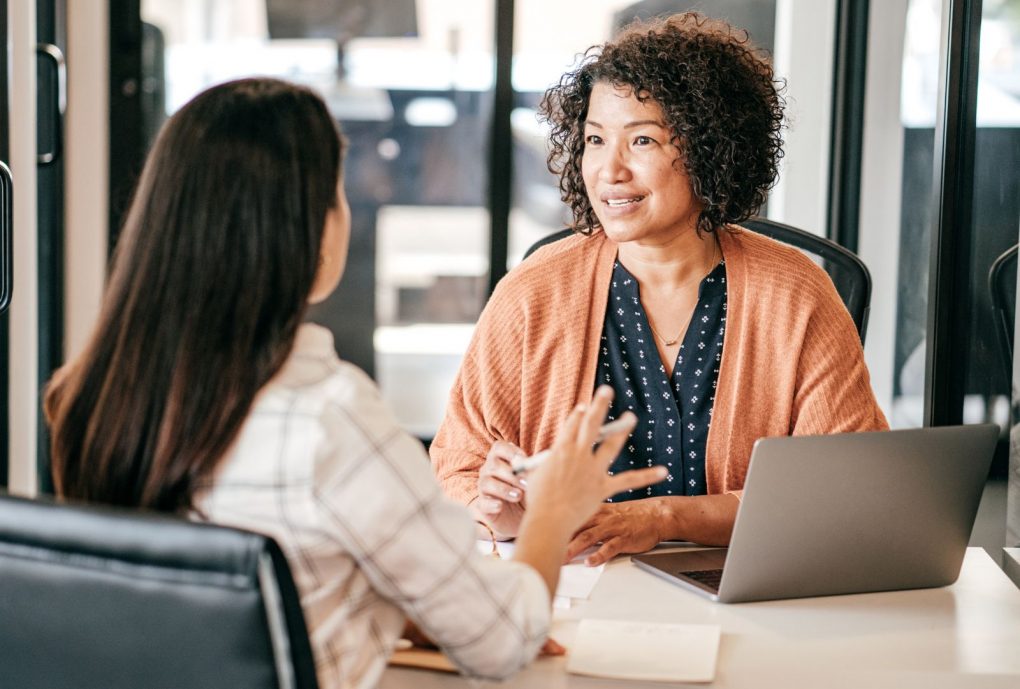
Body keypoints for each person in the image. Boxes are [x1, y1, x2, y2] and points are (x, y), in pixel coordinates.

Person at [43, 78, 665, 689]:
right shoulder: (329, 419)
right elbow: (503, 641)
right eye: (337, 195)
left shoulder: (90, 397)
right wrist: (552, 512)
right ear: (307, 233)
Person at [430, 13, 888, 567]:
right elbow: (458, 465)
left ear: (709, 147)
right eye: (595, 140)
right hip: (570, 585)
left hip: (743, 589)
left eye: (641, 139)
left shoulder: (795, 292)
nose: (609, 170)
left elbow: (839, 489)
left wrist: (666, 518)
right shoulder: (533, 291)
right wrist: (496, 508)